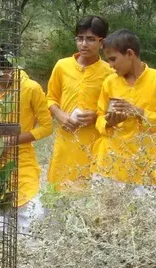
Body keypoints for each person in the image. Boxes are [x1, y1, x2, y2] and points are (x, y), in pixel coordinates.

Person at [94, 30, 156, 191]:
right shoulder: (110, 82)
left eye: (113, 59)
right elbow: (99, 117)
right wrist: (108, 123)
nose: (110, 65)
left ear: (130, 53)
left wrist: (139, 112)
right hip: (108, 168)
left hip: (144, 170)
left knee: (148, 216)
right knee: (105, 217)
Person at [46, 16, 113, 187]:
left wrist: (96, 116)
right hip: (65, 141)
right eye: (80, 38)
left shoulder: (110, 72)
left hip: (93, 144)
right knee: (57, 193)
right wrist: (60, 115)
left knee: (88, 196)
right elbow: (50, 98)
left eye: (90, 39)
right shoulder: (62, 66)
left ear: (102, 42)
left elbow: (112, 110)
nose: (84, 44)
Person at [0, 58, 53, 238]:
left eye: (2, 71)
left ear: (8, 69)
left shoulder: (30, 88)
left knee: (30, 213)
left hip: (21, 158)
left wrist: (13, 140)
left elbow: (47, 127)